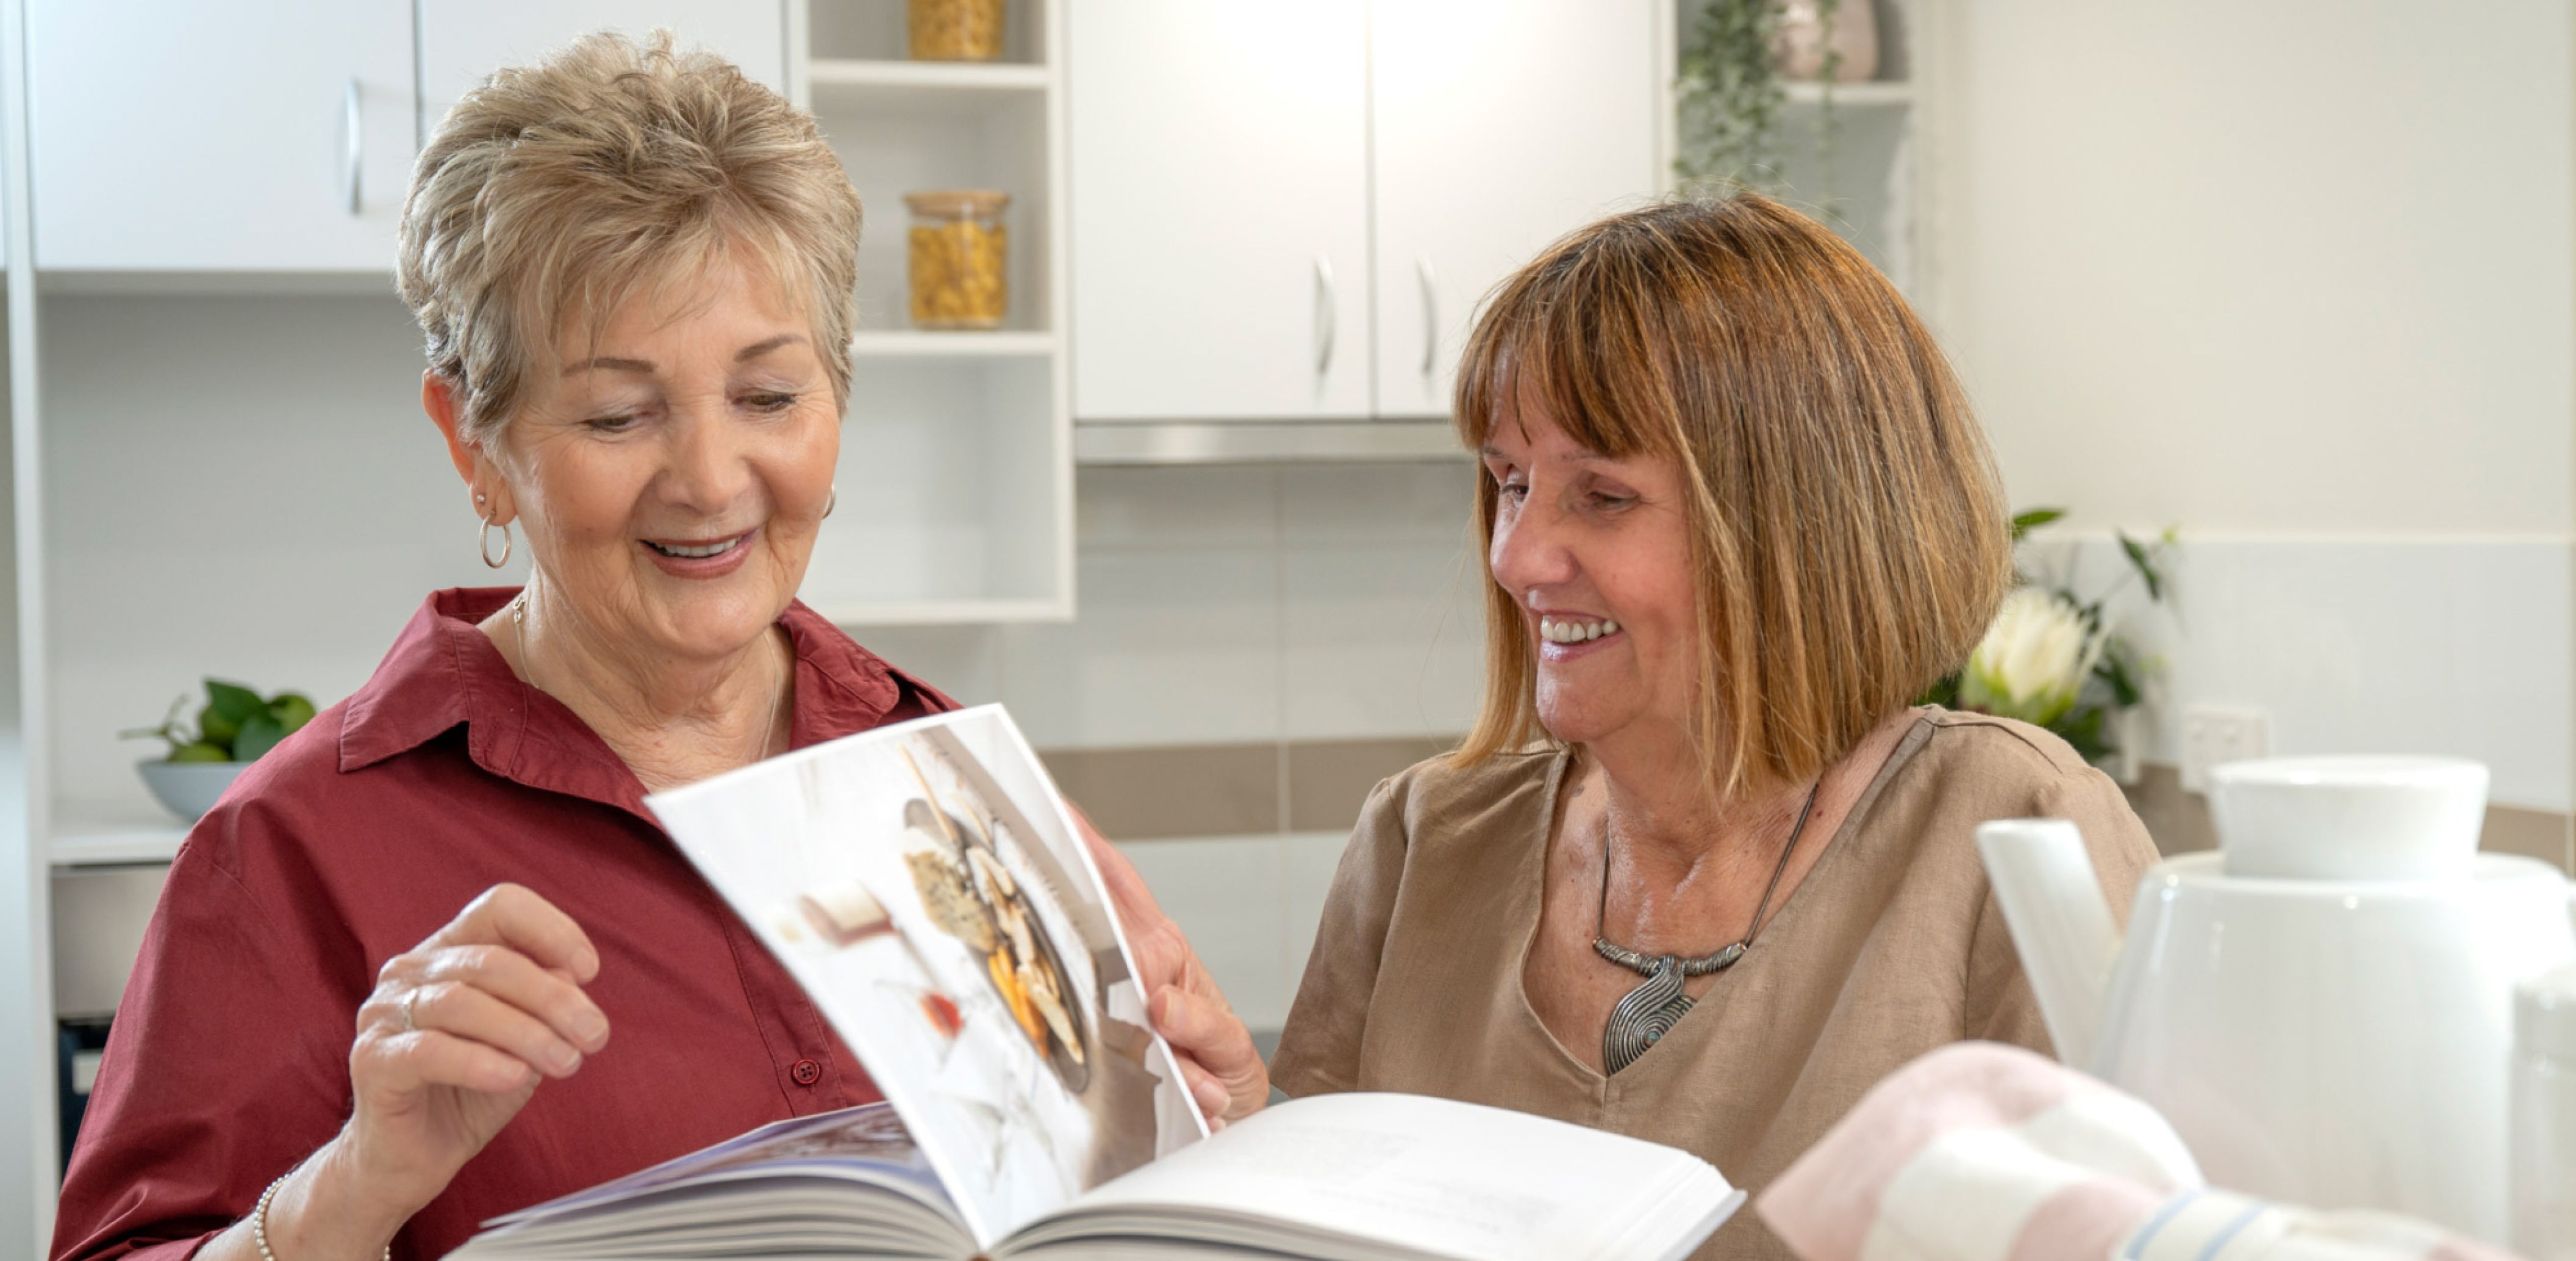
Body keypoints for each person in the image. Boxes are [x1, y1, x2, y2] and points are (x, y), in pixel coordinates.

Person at [50, 34, 1253, 1261]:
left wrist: (1218, 1129)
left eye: (770, 396)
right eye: (621, 413)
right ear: (472, 438)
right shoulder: (293, 848)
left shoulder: (938, 771)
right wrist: (352, 1185)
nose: (711, 478)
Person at [1264, 193, 2161, 1260]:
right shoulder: (1423, 842)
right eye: (1510, 483)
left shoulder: (2020, 832)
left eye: (1600, 494)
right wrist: (1216, 1124)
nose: (1515, 557)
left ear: (1797, 525)